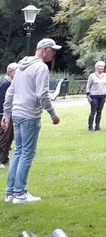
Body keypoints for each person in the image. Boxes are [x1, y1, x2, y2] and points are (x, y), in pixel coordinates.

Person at [1, 38, 62, 204]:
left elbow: (10, 93)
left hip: (17, 114)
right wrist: (53, 115)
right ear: (43, 50)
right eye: (52, 50)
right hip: (29, 115)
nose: (54, 53)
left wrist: (7, 114)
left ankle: (11, 193)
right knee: (26, 153)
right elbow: (42, 94)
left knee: (19, 152)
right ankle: (20, 193)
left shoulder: (21, 67)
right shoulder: (40, 67)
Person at [0, 62, 20, 167]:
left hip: (12, 113)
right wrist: (3, 116)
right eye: (17, 71)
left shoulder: (13, 83)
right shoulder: (5, 84)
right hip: (4, 115)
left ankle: (5, 159)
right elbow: (2, 100)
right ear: (11, 73)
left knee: (10, 136)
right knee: (3, 137)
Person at [85, 61, 106, 131]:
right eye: (100, 67)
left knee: (99, 111)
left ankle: (97, 126)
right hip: (94, 96)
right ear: (96, 68)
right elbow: (88, 86)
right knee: (93, 111)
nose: (101, 69)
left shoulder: (105, 75)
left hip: (102, 95)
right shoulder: (92, 76)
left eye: (102, 68)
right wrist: (88, 95)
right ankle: (90, 127)